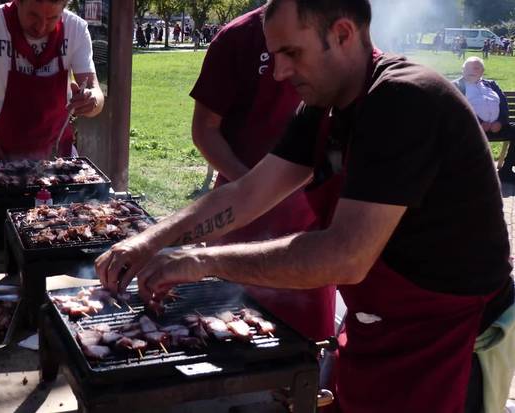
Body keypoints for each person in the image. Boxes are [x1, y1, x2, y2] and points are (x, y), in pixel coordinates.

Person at [96, 1, 515, 412]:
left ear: (343, 34)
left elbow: (344, 256)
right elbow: (245, 194)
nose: (279, 72)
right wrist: (148, 241)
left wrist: (202, 262)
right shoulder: (324, 109)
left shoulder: (404, 100)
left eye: (291, 53)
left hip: (449, 342)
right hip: (381, 327)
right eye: (275, 55)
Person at [188, 4, 335, 341]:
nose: (283, 70)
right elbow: (205, 130)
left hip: (311, 228)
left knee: (307, 350)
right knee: (227, 339)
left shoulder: (335, 44)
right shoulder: (237, 38)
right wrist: (254, 191)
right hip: (240, 220)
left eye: (293, 54)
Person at [0, 0, 104, 161]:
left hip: (58, 156)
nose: (41, 27)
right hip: (2, 157)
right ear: (18, 3)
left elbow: (96, 93)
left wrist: (91, 100)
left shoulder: (76, 29)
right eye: (33, 15)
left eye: (52, 18)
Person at [454, 57, 515, 182]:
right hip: (471, 129)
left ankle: (506, 171)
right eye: (468, 67)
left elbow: (503, 104)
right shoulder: (456, 86)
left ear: (482, 71)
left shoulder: (491, 84)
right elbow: (458, 109)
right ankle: (469, 174)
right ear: (462, 69)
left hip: (497, 127)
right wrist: (478, 123)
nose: (471, 70)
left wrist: (500, 121)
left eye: (476, 68)